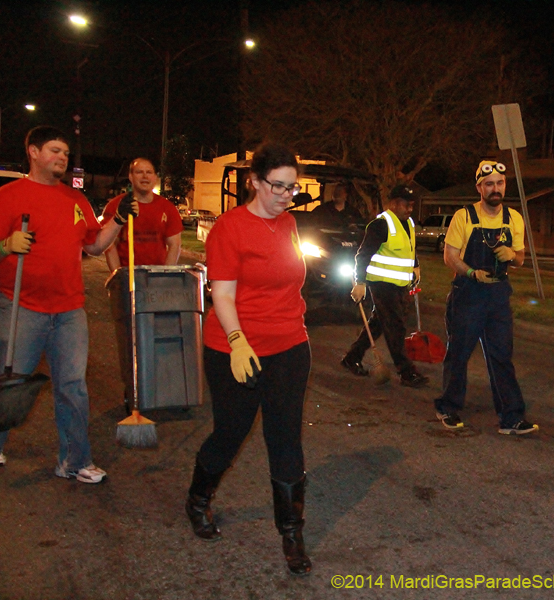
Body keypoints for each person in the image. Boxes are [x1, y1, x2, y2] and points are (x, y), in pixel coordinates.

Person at [0, 126, 137, 483]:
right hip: (20, 306)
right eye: (54, 151)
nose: (62, 158)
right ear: (33, 152)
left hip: (68, 310)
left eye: (65, 152)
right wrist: (5, 245)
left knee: (73, 386)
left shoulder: (75, 201)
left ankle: (75, 461)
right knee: (8, 378)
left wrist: (119, 220)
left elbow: (93, 247)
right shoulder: (10, 195)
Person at [185, 142, 312, 576]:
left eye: (292, 188)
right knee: (231, 434)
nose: (284, 195)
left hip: (290, 347)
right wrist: (239, 341)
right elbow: (221, 293)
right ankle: (198, 500)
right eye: (276, 186)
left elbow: (290, 281)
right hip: (235, 349)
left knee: (285, 437)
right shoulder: (229, 228)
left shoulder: (291, 223)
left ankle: (291, 534)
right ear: (254, 182)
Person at [433, 160, 538, 435]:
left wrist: (512, 256)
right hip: (468, 293)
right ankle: (448, 408)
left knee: (502, 356)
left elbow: (521, 259)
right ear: (479, 187)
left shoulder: (514, 218)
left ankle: (511, 417)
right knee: (459, 354)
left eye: (500, 183)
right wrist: (470, 272)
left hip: (498, 294)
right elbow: (449, 256)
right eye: (489, 184)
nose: (495, 189)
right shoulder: (464, 216)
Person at [101, 157, 184, 409]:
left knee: (158, 336)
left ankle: (161, 387)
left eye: (149, 172)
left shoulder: (166, 208)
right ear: (131, 177)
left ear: (156, 178)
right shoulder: (117, 206)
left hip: (156, 282)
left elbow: (175, 245)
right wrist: (117, 276)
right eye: (139, 172)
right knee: (131, 340)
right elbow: (109, 245)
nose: (145, 177)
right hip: (129, 279)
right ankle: (134, 391)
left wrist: (164, 277)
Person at [341, 184, 428, 388]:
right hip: (381, 284)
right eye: (405, 205)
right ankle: (406, 371)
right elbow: (362, 255)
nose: (409, 209)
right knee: (395, 325)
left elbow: (409, 248)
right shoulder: (380, 225)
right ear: (393, 203)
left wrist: (415, 266)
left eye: (411, 205)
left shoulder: (408, 224)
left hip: (399, 284)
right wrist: (360, 282)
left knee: (379, 323)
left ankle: (352, 357)